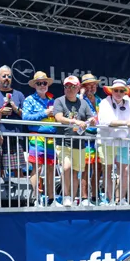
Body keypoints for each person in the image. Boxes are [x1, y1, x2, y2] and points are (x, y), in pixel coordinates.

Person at [98, 79, 130, 204]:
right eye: (116, 90)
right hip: (107, 140)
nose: (118, 93)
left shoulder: (129, 103)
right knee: (108, 170)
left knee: (125, 170)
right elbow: (106, 121)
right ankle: (110, 200)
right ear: (111, 91)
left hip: (124, 141)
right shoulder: (104, 102)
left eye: (121, 91)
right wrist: (126, 123)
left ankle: (122, 199)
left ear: (125, 92)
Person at [54, 75, 96, 206]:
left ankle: (71, 199)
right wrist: (75, 121)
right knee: (66, 167)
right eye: (67, 86)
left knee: (75, 172)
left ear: (78, 88)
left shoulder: (83, 103)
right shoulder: (59, 101)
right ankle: (66, 196)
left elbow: (91, 119)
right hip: (64, 141)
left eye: (72, 86)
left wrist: (91, 121)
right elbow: (58, 117)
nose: (69, 89)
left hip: (79, 143)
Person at [22, 70, 58, 203]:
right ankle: (34, 198)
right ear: (34, 85)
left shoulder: (52, 100)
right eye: (39, 83)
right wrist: (45, 113)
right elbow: (25, 118)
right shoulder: (29, 100)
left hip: (51, 137)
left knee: (51, 168)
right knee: (37, 168)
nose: (42, 85)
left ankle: (51, 199)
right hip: (36, 137)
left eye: (44, 83)